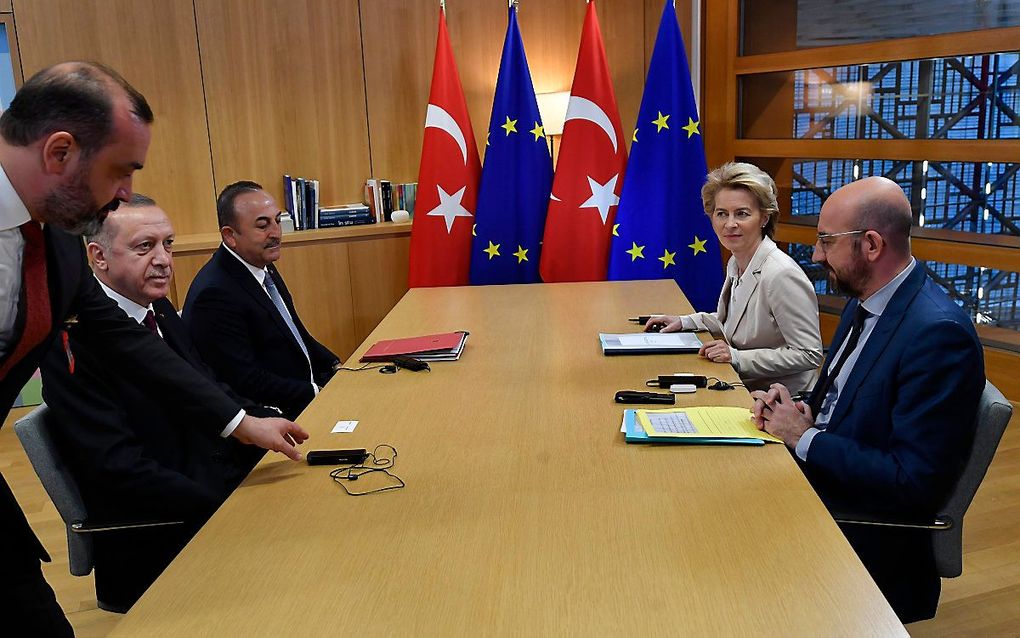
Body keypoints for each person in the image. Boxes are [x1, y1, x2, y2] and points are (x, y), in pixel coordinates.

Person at [0, 61, 307, 633]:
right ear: (60, 153)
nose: (125, 192)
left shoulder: (59, 242)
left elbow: (127, 341)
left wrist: (242, 421)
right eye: (121, 171)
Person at [751, 176, 984, 623]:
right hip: (826, 481)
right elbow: (841, 399)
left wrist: (805, 438)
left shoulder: (938, 335)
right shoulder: (867, 299)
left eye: (825, 241)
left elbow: (913, 484)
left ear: (872, 245)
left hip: (866, 530)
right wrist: (800, 407)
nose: (816, 256)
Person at [40, 196, 274, 610]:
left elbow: (210, 388)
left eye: (168, 244)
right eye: (144, 247)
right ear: (98, 257)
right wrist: (227, 507)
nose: (164, 260)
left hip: (212, 485)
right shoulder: (74, 345)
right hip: (162, 536)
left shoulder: (159, 309)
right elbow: (121, 469)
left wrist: (266, 418)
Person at [646, 162, 822, 392]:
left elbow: (809, 354)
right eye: (721, 214)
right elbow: (732, 320)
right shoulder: (737, 259)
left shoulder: (781, 275)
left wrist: (737, 357)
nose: (730, 224)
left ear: (764, 218)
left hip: (781, 399)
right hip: (743, 384)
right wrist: (684, 321)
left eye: (742, 214)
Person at [183, 181, 340, 420]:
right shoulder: (215, 294)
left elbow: (297, 334)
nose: (275, 233)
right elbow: (245, 380)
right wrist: (317, 392)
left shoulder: (261, 265)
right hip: (271, 420)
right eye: (262, 225)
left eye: (277, 220)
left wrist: (337, 367)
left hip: (304, 398)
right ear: (230, 235)